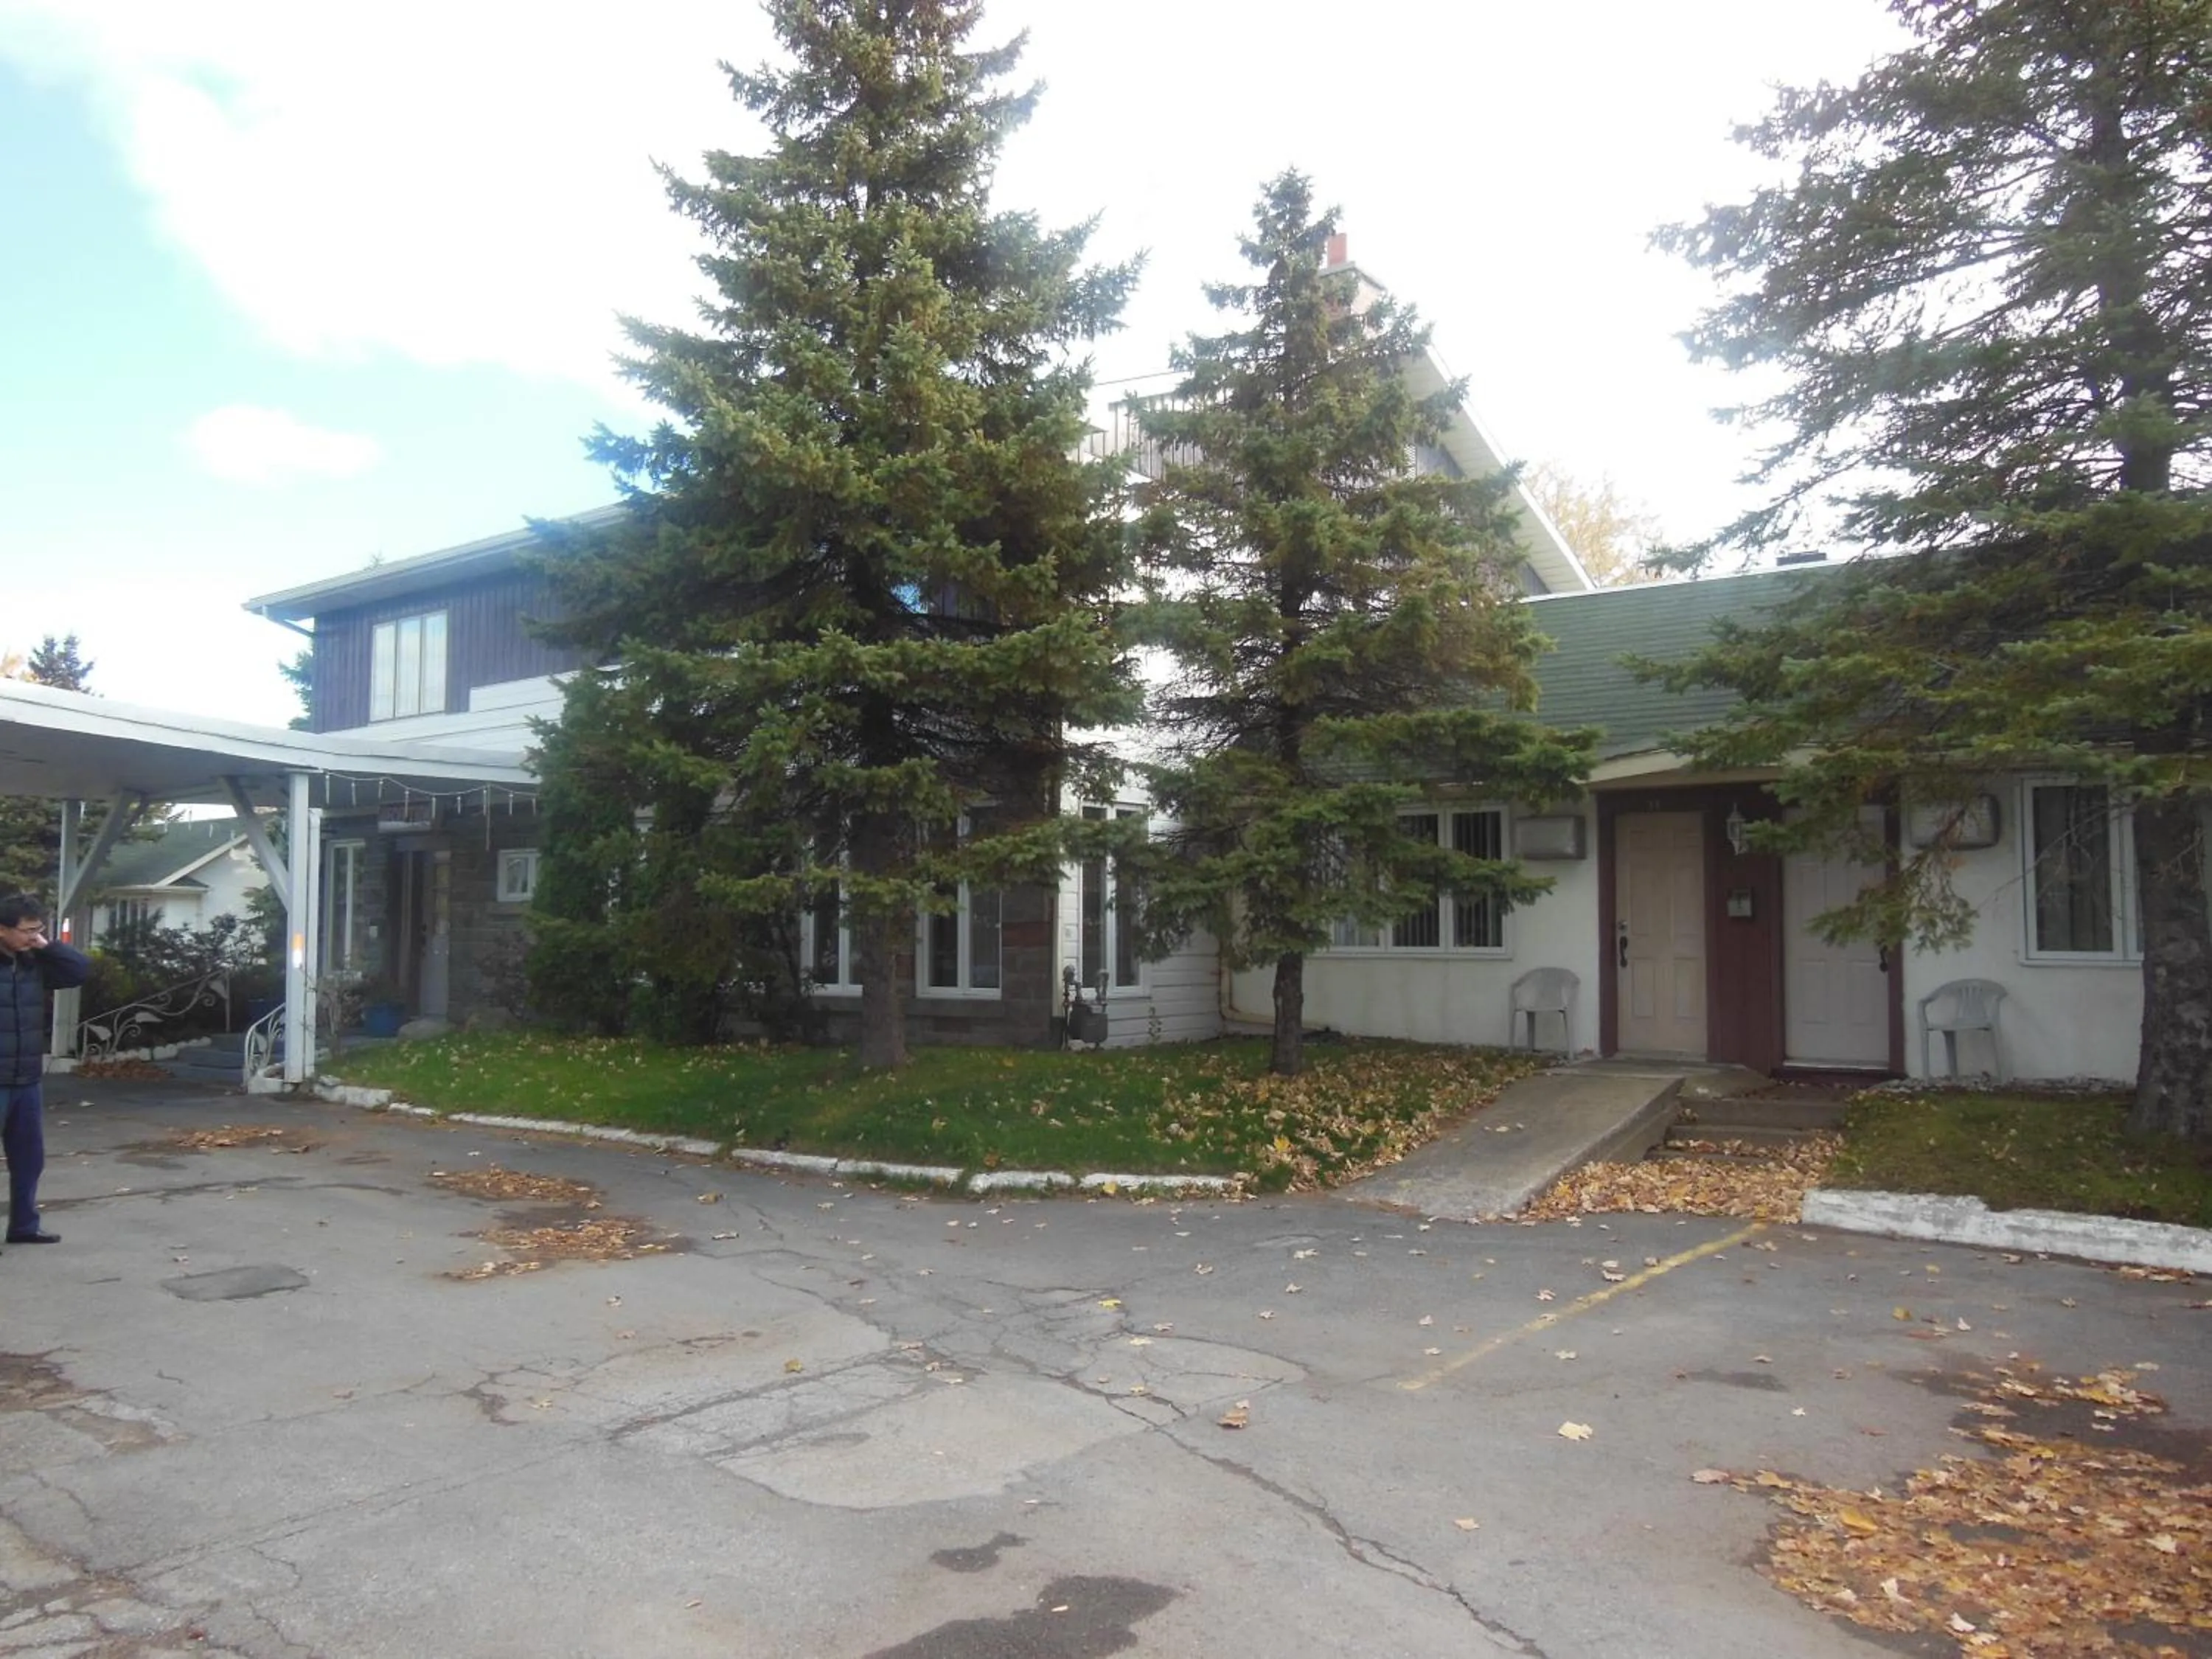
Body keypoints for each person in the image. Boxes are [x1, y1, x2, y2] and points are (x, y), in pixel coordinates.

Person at [0, 893, 91, 1248]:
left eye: (39, 930)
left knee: (29, 1160)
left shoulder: (34, 962)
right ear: (3, 929)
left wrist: (46, 945)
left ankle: (24, 1226)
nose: (33, 936)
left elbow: (78, 971)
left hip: (27, 1079)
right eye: (27, 930)